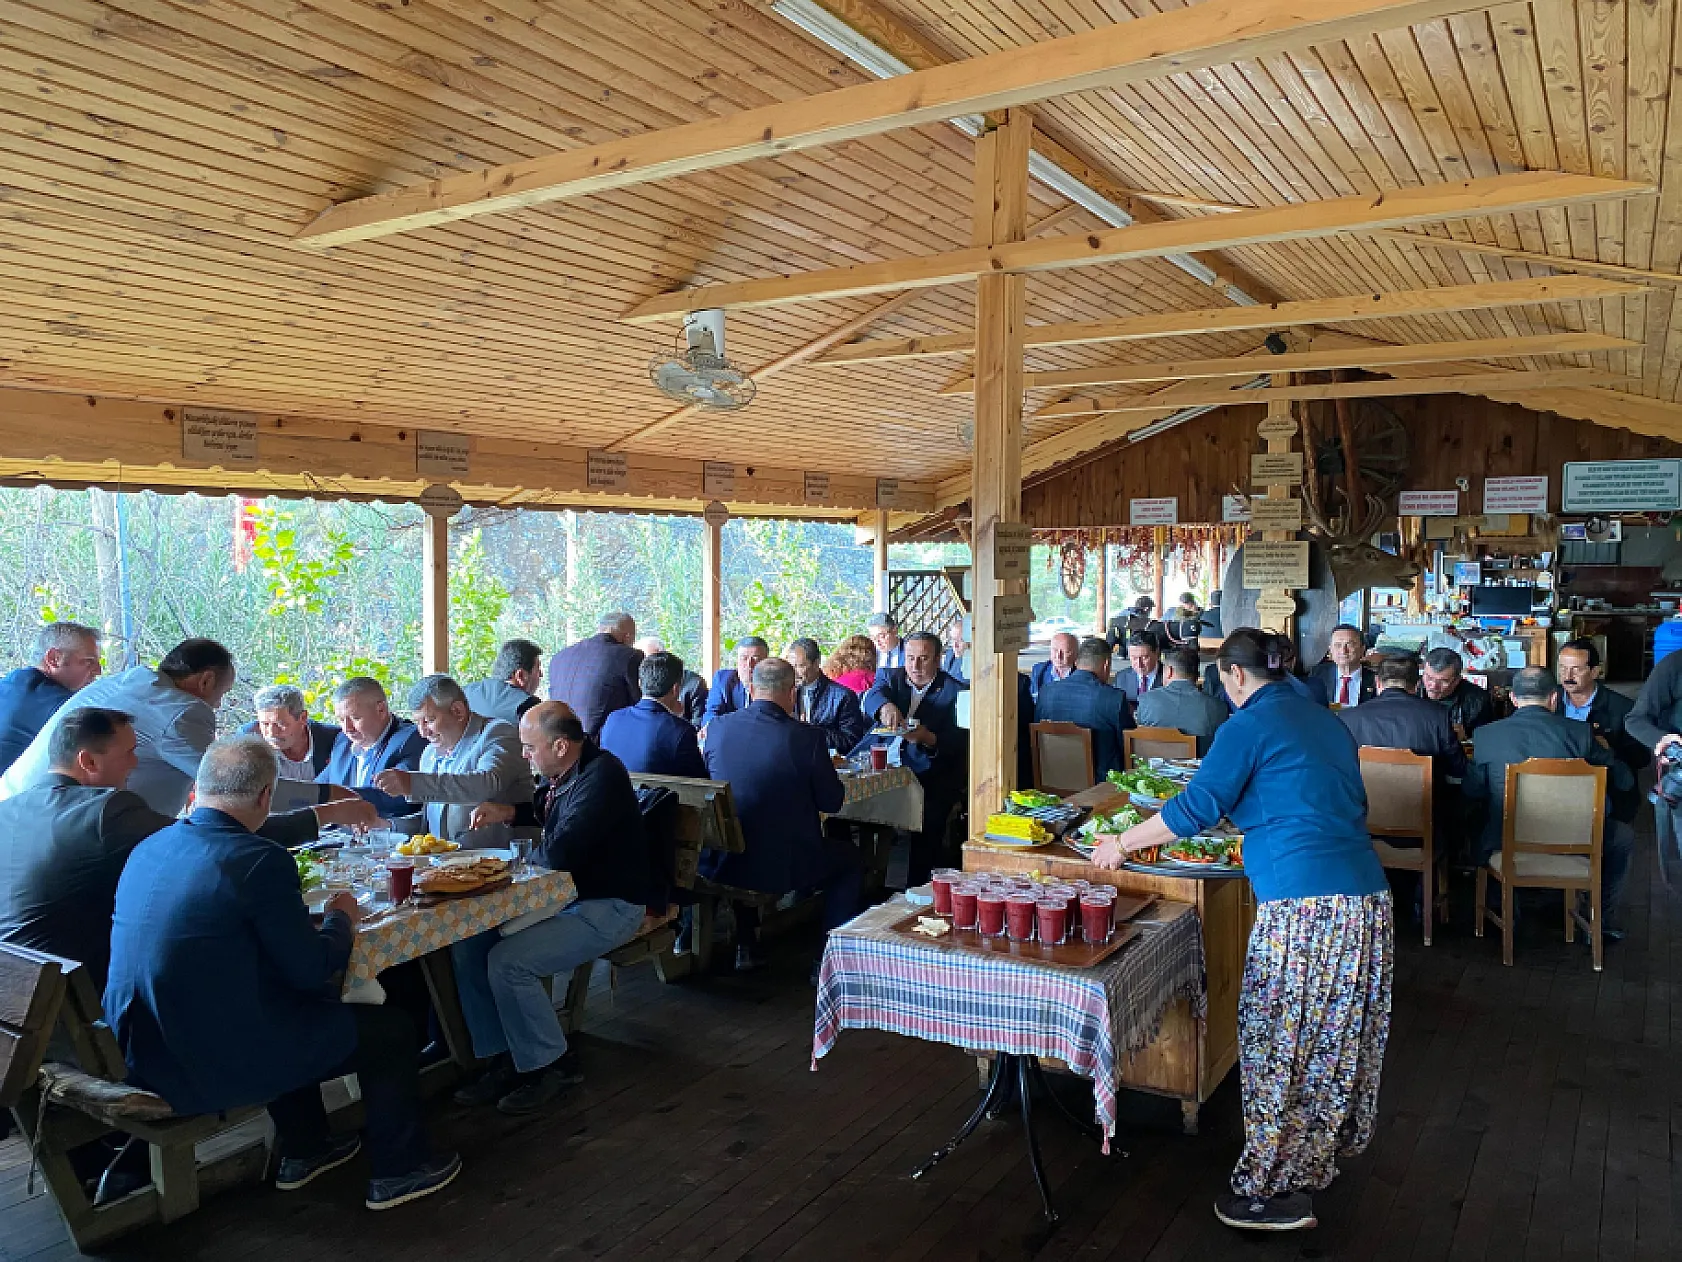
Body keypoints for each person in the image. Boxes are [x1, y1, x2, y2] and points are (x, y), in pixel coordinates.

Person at [1094, 628, 1391, 1233]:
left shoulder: (1247, 725)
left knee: (1278, 1039)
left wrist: (1119, 844)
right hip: (1366, 898)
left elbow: (1196, 808)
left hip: (1305, 906)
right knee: (1329, 1042)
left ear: (1232, 676)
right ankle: (1310, 1164)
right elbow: (1336, 800)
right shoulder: (1325, 719)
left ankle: (1267, 1191)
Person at [104, 736, 459, 1209]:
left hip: (142, 1043)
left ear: (198, 788)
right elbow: (312, 969)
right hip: (208, 1060)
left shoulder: (151, 847)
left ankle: (306, 1148)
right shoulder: (258, 861)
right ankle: (401, 1169)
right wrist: (341, 919)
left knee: (281, 1003)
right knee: (389, 1031)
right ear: (266, 796)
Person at [0, 708, 376, 989]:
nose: (136, 763)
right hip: (73, 999)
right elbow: (213, 836)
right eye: (129, 752)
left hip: (17, 986)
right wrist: (324, 815)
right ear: (88, 761)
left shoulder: (9, 809)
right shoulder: (104, 813)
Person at [449, 703, 650, 1114]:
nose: (524, 755)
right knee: (469, 942)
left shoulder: (602, 777)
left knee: (509, 963)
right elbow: (548, 812)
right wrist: (511, 812)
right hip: (569, 896)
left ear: (560, 746)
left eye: (529, 747)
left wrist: (517, 861)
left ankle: (552, 1065)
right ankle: (503, 1055)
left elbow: (560, 851)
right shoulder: (570, 770)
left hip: (610, 905)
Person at [703, 659, 857, 972]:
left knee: (750, 824)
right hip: (781, 864)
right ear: (791, 692)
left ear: (751, 689)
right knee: (850, 861)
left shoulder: (718, 728)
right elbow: (832, 802)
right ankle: (828, 960)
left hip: (723, 859)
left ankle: (747, 942)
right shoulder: (806, 737)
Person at [0, 637, 236, 816]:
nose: (218, 705)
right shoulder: (181, 709)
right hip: (56, 830)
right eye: (222, 693)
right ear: (206, 681)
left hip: (16, 809)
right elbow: (232, 784)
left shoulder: (123, 681)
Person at [1461, 668, 1625, 923]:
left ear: (1513, 699)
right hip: (1574, 836)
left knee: (1478, 817)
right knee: (1622, 838)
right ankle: (1601, 919)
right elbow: (1617, 775)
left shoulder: (1486, 735)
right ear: (1554, 698)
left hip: (1504, 839)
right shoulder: (1580, 734)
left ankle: (1501, 902)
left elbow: (1471, 790)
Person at [857, 632, 969, 883]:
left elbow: (958, 743)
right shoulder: (890, 677)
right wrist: (884, 707)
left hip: (928, 771)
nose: (915, 666)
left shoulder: (955, 691)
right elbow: (872, 696)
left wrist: (927, 738)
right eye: (910, 658)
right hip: (880, 762)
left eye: (923, 659)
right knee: (838, 799)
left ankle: (916, 887)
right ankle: (861, 882)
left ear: (939, 659)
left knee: (929, 814)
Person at [374, 675, 532, 842]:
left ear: (458, 711)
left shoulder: (497, 733)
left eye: (428, 720)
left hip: (505, 863)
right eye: (417, 722)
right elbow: (432, 825)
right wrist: (384, 825)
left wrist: (413, 784)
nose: (422, 732)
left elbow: (487, 783)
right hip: (450, 865)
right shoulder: (429, 754)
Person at [1558, 640, 1645, 935]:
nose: (1567, 676)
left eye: (1577, 669)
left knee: (1616, 842)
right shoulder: (1550, 701)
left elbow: (1642, 759)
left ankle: (1600, 919)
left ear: (1595, 671)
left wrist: (1611, 750)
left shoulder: (1622, 708)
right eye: (1562, 668)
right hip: (1554, 796)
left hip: (1606, 795)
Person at [1337, 654, 1466, 779]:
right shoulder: (1438, 715)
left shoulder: (1347, 718)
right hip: (1425, 799)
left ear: (1377, 682)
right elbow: (1458, 768)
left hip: (1363, 799)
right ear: (1417, 685)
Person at [317, 677, 429, 819]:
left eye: (355, 718)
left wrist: (337, 796)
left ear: (381, 710)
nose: (347, 728)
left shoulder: (411, 739)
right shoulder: (343, 742)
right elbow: (319, 788)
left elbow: (399, 799)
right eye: (340, 719)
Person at [0, 621, 102, 775]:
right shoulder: (58, 704)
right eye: (88, 662)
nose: (98, 671)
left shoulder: (11, 684)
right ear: (54, 658)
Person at [1034, 636, 1135, 780]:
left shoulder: (1046, 692)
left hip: (1051, 779)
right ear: (1106, 665)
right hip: (1100, 787)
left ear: (1076, 661)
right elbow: (1128, 744)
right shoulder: (1114, 698)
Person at [599, 651, 707, 778]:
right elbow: (699, 782)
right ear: (675, 689)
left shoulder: (613, 719)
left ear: (640, 684)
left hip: (615, 796)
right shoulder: (680, 731)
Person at [545, 612, 643, 739]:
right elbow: (640, 705)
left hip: (557, 742)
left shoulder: (559, 657)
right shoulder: (629, 656)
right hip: (600, 746)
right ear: (628, 637)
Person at [1136, 646, 1227, 755]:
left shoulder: (1146, 701)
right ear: (1197, 675)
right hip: (1198, 770)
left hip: (1153, 770)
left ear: (1169, 671)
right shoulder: (1218, 707)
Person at [239, 684, 340, 781]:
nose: (271, 733)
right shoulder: (248, 741)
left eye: (280, 724)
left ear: (303, 718)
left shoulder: (334, 739)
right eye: (265, 724)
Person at [785, 638, 866, 754]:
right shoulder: (785, 692)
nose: (794, 672)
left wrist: (810, 732)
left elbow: (851, 741)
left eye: (800, 666)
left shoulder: (843, 696)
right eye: (791, 666)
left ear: (817, 663)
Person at [464, 638, 544, 727]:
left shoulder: (465, 692)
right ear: (520, 676)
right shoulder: (528, 706)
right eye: (538, 668)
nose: (541, 674)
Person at [1422, 647, 1494, 737]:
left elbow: (1487, 737)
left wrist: (1467, 735)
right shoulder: (1411, 691)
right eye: (1429, 678)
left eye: (1443, 681)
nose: (1433, 686)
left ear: (1457, 680)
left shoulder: (1478, 700)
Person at [637, 636, 707, 726]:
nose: (647, 667)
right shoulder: (640, 679)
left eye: (651, 661)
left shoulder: (694, 684)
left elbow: (699, 725)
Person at [704, 637, 769, 726]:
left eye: (756, 659)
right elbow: (711, 714)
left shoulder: (773, 683)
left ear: (766, 662)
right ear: (737, 661)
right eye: (744, 658)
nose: (749, 664)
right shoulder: (723, 679)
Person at [1312, 625, 1376, 709]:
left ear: (1362, 649)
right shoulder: (1318, 674)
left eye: (1350, 644)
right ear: (1330, 650)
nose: (1343, 651)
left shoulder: (1375, 679)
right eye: (1338, 645)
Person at [1113, 630, 1165, 706]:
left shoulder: (1170, 677)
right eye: (1134, 658)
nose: (1139, 664)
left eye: (1144, 658)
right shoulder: (1121, 678)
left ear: (1157, 653)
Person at [1029, 631, 1078, 703]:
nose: (1058, 656)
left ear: (1076, 654)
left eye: (1066, 651)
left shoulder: (1081, 673)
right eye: (1055, 650)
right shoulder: (1038, 670)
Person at [940, 615, 969, 685]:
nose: (955, 645)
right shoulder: (950, 654)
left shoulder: (977, 662)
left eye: (961, 640)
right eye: (953, 640)